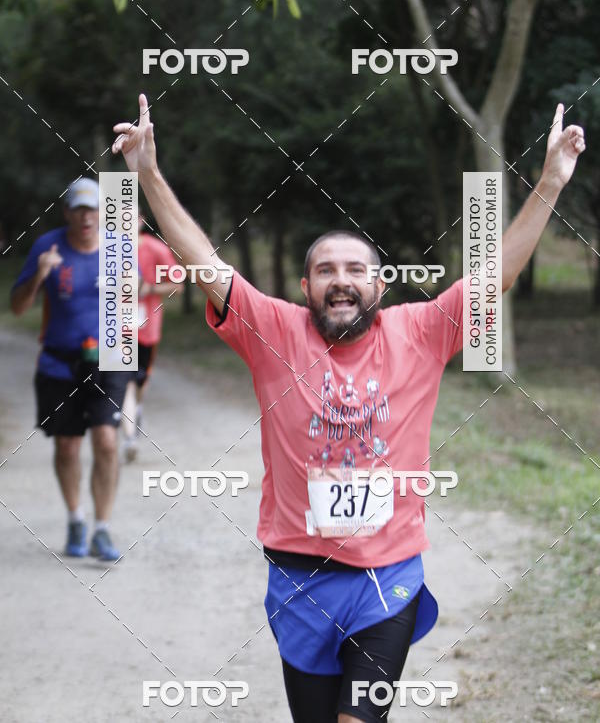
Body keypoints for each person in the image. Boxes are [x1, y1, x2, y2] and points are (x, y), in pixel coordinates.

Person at [112, 95, 585, 723]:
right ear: (305, 287)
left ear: (379, 284)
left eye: (356, 269)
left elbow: (491, 276)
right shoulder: (271, 329)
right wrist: (146, 172)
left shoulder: (420, 330)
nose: (342, 279)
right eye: (326, 269)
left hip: (386, 582)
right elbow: (205, 262)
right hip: (297, 579)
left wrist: (550, 182)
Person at [10, 178, 129, 561]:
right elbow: (16, 307)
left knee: (107, 442)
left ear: (103, 212)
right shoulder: (47, 246)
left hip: (109, 359)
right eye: (79, 209)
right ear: (67, 213)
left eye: (93, 208)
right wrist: (39, 276)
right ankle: (76, 518)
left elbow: (135, 302)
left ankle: (103, 529)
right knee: (66, 445)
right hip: (58, 362)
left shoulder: (117, 248)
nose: (86, 216)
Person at [121, 210, 182, 462]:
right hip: (117, 326)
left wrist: (148, 288)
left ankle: (136, 411)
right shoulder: (108, 250)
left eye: (131, 218)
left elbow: (177, 285)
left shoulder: (155, 249)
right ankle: (130, 437)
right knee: (123, 380)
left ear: (141, 221)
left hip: (146, 327)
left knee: (139, 382)